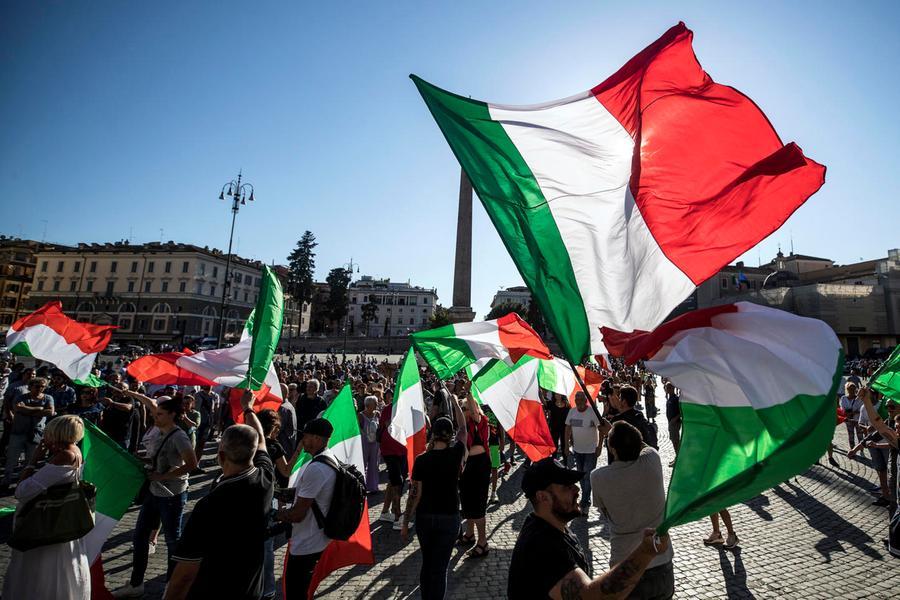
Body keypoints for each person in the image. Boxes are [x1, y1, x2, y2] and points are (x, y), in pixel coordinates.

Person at [508, 457, 670, 599]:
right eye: (567, 486)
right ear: (542, 497)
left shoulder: (554, 526)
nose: (577, 489)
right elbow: (591, 597)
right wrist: (645, 552)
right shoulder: (541, 546)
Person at [164, 391, 275, 600]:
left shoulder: (210, 504)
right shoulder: (265, 479)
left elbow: (184, 574)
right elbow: (261, 439)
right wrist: (248, 408)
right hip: (251, 589)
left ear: (221, 455)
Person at [113, 392, 199, 598]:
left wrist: (162, 476)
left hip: (172, 494)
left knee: (172, 541)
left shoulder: (179, 436)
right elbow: (149, 403)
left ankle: (171, 587)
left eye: (160, 414)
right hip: (154, 492)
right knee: (140, 536)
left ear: (172, 415)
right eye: (156, 413)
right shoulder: (160, 430)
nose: (155, 417)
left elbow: (192, 464)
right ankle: (136, 584)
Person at [2, 415, 91, 600]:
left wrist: (33, 462)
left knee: (43, 570)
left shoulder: (64, 456)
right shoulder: (75, 451)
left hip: (46, 526)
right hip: (61, 523)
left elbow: (22, 491)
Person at [591, 421, 674, 599]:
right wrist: (613, 431)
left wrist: (610, 435)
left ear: (612, 449)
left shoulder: (598, 477)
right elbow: (640, 443)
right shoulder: (653, 458)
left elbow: (606, 513)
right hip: (661, 559)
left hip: (626, 564)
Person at [401, 393, 468, 599]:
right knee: (439, 569)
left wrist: (405, 522)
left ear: (433, 433)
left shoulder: (422, 460)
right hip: (449, 517)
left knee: (427, 564)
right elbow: (464, 430)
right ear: (450, 435)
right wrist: (456, 403)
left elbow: (415, 494)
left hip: (425, 518)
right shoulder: (456, 453)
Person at [276, 418, 337, 599]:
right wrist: (275, 493)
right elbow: (305, 493)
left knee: (296, 593)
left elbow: (298, 514)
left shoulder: (316, 468)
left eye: (306, 436)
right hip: (315, 538)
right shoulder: (327, 458)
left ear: (318, 439)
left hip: (306, 542)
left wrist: (273, 514)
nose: (302, 441)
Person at [2, 376, 55, 490]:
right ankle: (6, 479)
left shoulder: (48, 398)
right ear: (30, 387)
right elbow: (17, 408)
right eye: (37, 386)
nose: (40, 389)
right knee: (12, 457)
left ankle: (23, 481)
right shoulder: (21, 397)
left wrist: (27, 409)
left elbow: (50, 412)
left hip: (36, 433)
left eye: (43, 386)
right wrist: (40, 409)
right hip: (18, 431)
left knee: (30, 459)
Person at [458, 397, 492, 557]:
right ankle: (470, 534)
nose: (464, 411)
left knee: (478, 503)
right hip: (468, 466)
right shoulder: (463, 427)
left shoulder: (481, 421)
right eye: (462, 408)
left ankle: (483, 542)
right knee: (467, 500)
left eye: (465, 408)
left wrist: (469, 393)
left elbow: (473, 411)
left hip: (480, 465)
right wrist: (452, 400)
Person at [564, 392, 602, 516]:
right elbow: (567, 428)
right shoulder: (572, 412)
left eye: (581, 398)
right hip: (577, 450)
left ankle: (584, 502)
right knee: (581, 476)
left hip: (591, 450)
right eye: (577, 398)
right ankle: (586, 498)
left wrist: (599, 446)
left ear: (586, 400)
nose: (579, 400)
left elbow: (601, 428)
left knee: (587, 476)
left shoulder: (592, 412)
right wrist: (566, 445)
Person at [377, 399, 409, 529]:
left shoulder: (407, 407)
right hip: (390, 449)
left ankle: (385, 512)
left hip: (402, 449)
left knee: (394, 479)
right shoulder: (388, 409)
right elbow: (390, 426)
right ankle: (397, 516)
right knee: (397, 481)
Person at [609, 386, 658, 460]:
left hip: (622, 464)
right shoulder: (639, 416)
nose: (617, 400)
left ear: (624, 402)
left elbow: (611, 447)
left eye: (619, 398)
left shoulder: (617, 421)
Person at [359, 395, 381, 494]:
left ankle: (373, 486)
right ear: (367, 405)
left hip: (375, 443)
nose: (376, 405)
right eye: (374, 404)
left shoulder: (377, 414)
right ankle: (361, 485)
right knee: (362, 464)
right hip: (364, 443)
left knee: (374, 464)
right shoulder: (360, 415)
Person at [839, 382, 863, 449]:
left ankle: (861, 448)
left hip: (857, 420)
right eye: (850, 389)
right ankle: (852, 449)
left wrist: (851, 412)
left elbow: (861, 410)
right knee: (851, 435)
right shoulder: (843, 398)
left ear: (855, 389)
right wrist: (852, 412)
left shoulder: (858, 399)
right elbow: (842, 410)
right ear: (847, 390)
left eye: (853, 389)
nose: (852, 391)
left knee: (860, 435)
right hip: (848, 420)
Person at [547, 393, 570, 462]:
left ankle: (565, 462)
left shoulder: (567, 404)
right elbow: (543, 401)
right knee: (554, 445)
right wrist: (539, 392)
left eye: (559, 394)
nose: (557, 396)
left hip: (564, 428)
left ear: (562, 395)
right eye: (556, 394)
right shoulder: (551, 404)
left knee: (564, 445)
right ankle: (554, 461)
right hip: (554, 427)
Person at [664, 382, 681, 468]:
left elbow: (680, 412)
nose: (667, 389)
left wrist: (674, 419)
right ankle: (677, 458)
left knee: (676, 441)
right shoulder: (670, 398)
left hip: (675, 423)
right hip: (670, 423)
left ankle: (678, 459)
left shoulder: (675, 399)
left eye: (668, 388)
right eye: (666, 388)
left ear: (672, 388)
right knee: (673, 441)